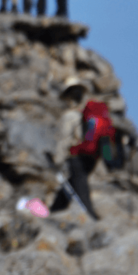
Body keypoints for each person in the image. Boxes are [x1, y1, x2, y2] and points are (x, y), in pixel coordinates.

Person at [49, 77, 102, 218]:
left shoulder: (69, 116)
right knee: (72, 182)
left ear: (67, 96)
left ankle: (91, 215)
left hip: (76, 156)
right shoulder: (87, 114)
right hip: (91, 156)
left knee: (80, 186)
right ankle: (55, 208)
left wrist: (57, 160)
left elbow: (64, 140)